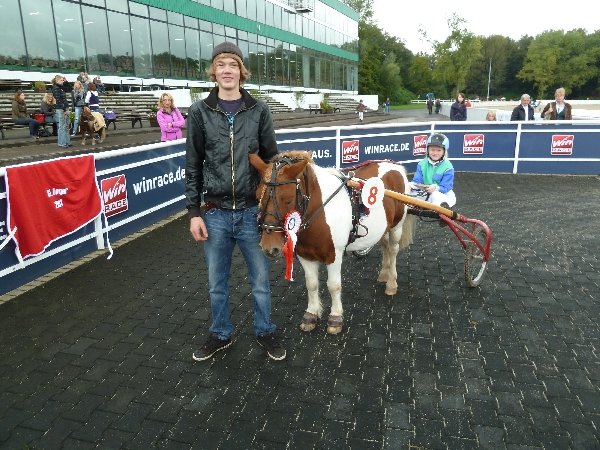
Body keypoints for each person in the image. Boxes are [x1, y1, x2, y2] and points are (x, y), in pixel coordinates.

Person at [185, 41, 285, 362]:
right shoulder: (199, 112)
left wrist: (274, 209)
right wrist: (194, 212)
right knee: (217, 283)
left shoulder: (259, 111)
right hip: (214, 214)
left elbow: (271, 162)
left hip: (252, 213)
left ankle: (265, 330)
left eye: (233, 65)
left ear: (242, 71)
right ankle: (220, 333)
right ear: (213, 72)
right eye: (221, 64)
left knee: (261, 280)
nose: (227, 70)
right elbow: (192, 165)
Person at [409, 133, 456, 208]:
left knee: (434, 195)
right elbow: (417, 181)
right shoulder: (421, 164)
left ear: (444, 151)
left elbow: (446, 187)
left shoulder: (448, 167)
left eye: (439, 150)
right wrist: (411, 186)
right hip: (425, 193)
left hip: (443, 195)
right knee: (408, 192)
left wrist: (435, 188)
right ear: (428, 150)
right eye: (432, 150)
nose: (435, 153)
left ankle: (438, 210)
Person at [50, 74, 73, 148]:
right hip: (61, 109)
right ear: (57, 81)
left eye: (63, 80)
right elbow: (58, 100)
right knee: (62, 126)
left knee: (66, 126)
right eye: (61, 80)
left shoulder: (61, 87)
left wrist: (66, 81)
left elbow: (70, 89)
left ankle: (67, 142)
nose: (62, 81)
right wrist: (64, 109)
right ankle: (62, 143)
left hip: (64, 108)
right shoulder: (56, 88)